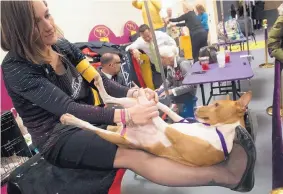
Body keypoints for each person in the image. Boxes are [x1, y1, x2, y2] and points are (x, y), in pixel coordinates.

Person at [1, 1, 256, 193]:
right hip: (59, 136)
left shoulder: (62, 46)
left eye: (47, 15)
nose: (47, 26)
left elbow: (100, 81)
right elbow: (68, 109)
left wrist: (134, 93)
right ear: (18, 29)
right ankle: (228, 176)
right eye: (36, 22)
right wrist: (125, 114)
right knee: (135, 154)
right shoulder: (16, 68)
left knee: (151, 133)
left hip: (90, 118)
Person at [155, 45, 197, 116]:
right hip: (177, 90)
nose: (160, 60)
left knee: (162, 100)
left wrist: (171, 91)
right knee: (159, 95)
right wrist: (161, 88)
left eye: (162, 58)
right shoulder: (169, 65)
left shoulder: (183, 64)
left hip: (187, 93)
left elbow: (191, 85)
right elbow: (169, 80)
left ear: (170, 58)